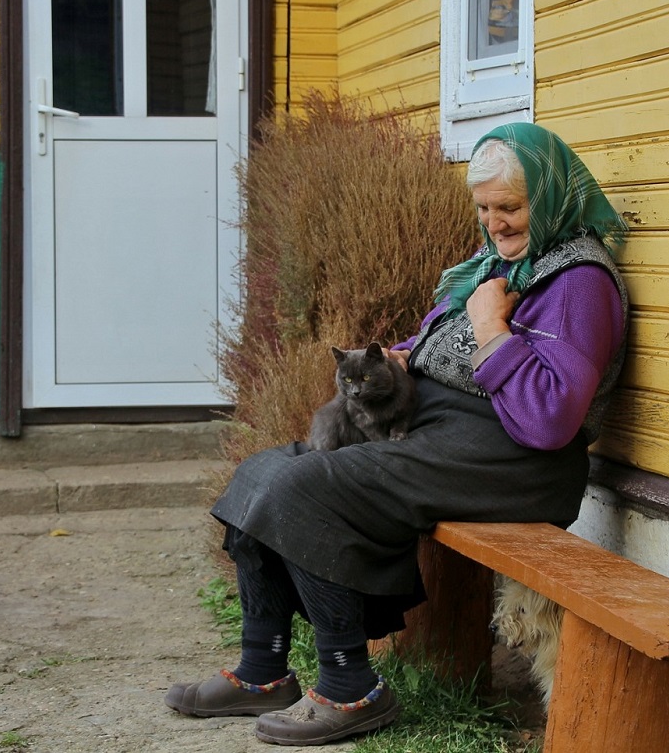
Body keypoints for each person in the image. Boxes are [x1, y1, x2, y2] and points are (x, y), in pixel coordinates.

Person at [165, 122, 630, 745]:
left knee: (308, 489)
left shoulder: (579, 283)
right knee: (263, 472)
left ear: (550, 199)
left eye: (510, 208)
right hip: (442, 433)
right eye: (484, 208)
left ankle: (351, 689)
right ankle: (261, 671)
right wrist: (406, 355)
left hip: (512, 457)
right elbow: (443, 336)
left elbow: (550, 420)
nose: (494, 223)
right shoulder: (504, 264)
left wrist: (491, 329)